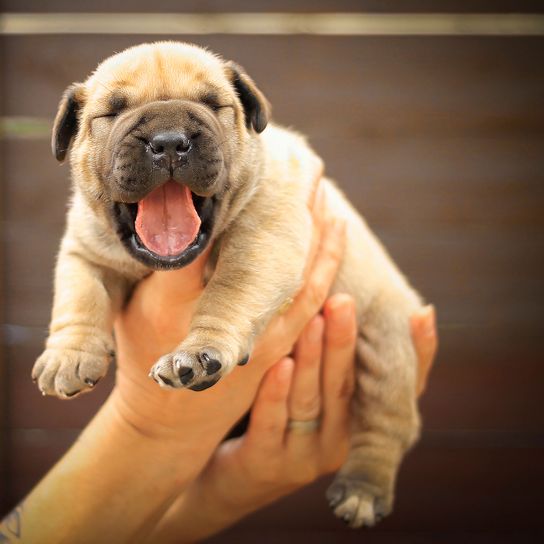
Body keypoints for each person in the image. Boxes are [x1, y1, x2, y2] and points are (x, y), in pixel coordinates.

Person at [0, 183, 437, 544]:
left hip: (345, 336)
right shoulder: (96, 214)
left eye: (207, 106)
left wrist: (214, 333)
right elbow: (86, 260)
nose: (168, 142)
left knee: (397, 324)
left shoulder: (267, 173)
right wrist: (76, 334)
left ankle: (375, 460)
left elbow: (271, 251)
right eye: (117, 111)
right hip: (211, 413)